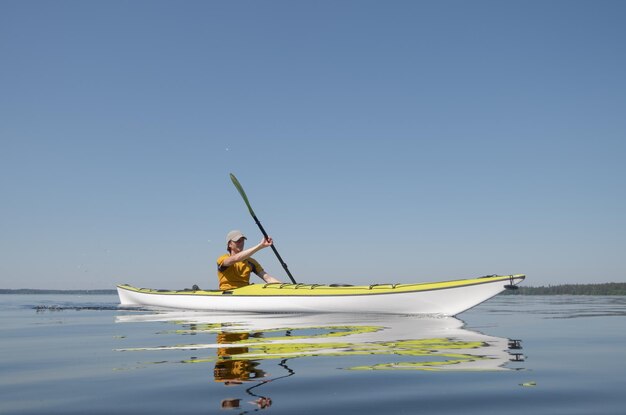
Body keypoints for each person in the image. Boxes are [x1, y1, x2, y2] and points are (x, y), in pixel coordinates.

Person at [217, 230, 281, 290]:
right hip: (227, 293)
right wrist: (260, 246)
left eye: (242, 241)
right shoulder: (222, 259)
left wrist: (285, 287)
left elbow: (268, 278)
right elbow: (236, 259)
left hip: (244, 293)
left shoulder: (251, 262)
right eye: (237, 241)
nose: (241, 243)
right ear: (229, 244)